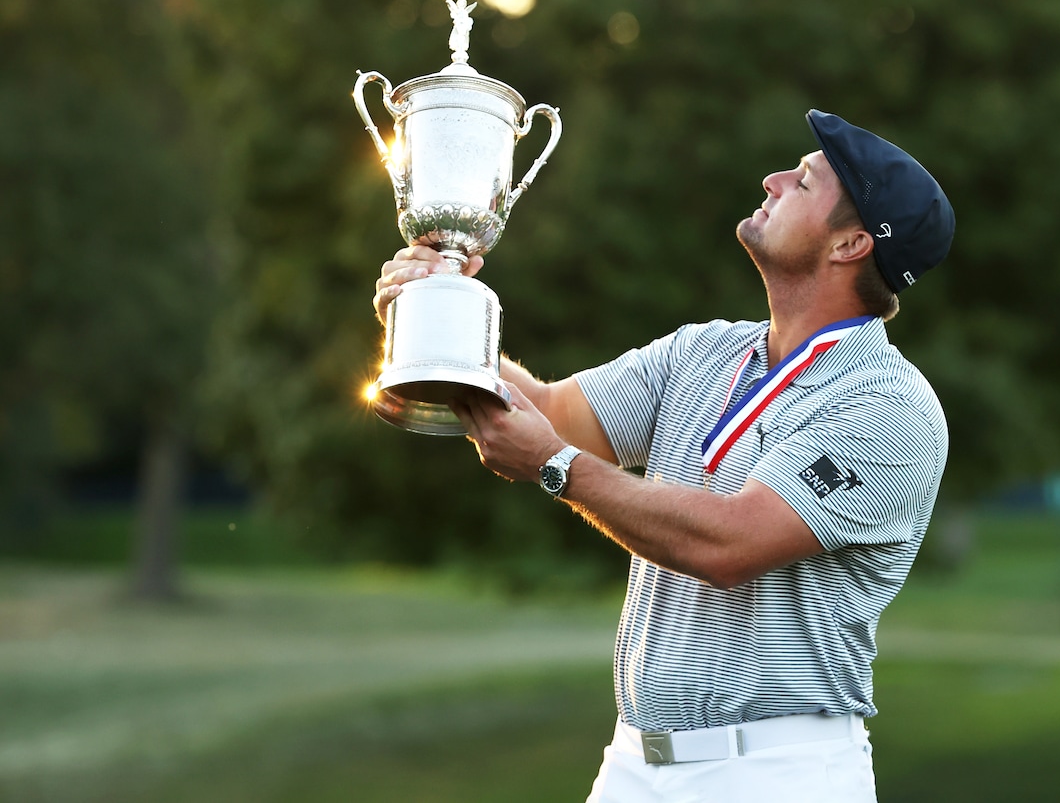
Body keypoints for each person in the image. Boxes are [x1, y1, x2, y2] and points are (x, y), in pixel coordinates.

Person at [374, 110, 955, 802]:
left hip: (778, 772)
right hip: (634, 763)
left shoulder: (890, 407)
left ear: (852, 243)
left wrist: (557, 467)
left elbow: (729, 544)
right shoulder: (704, 350)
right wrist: (439, 310)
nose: (770, 180)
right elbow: (552, 413)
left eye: (801, 180)